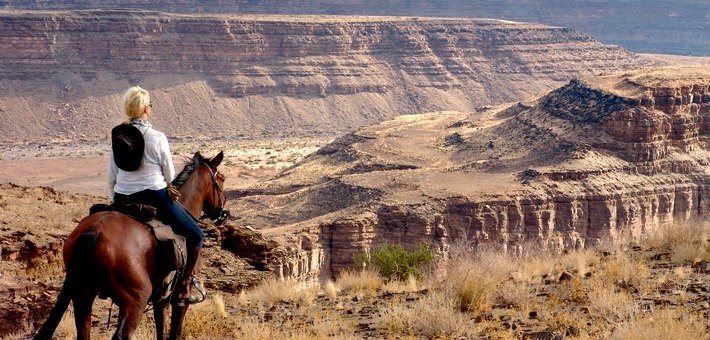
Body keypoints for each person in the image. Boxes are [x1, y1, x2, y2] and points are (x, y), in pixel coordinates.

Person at [107, 85, 206, 305]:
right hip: (154, 196)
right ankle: (184, 285)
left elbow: (111, 174)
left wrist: (114, 199)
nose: (151, 107)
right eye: (149, 104)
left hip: (122, 198)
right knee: (197, 235)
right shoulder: (157, 137)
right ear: (144, 108)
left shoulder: (118, 135)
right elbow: (169, 174)